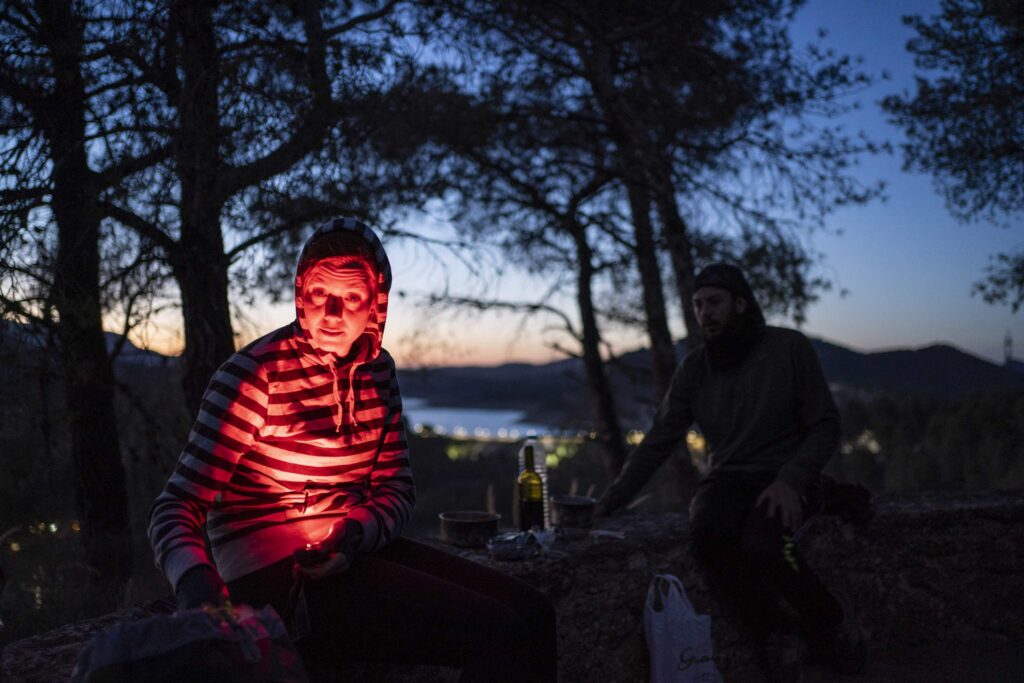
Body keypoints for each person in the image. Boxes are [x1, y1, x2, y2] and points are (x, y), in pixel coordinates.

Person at [148, 217, 557, 682]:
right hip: (273, 580)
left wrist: (351, 535)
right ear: (300, 293)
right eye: (320, 293)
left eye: (353, 297)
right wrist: (194, 580)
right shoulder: (253, 376)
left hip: (353, 553)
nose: (332, 312)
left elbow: (396, 488)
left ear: (376, 304)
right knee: (500, 632)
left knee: (535, 611)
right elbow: (176, 506)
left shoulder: (379, 373)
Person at [596, 263, 866, 683]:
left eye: (714, 302)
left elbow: (826, 425)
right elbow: (660, 439)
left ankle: (830, 624)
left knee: (766, 544)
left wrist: (792, 480)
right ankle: (776, 632)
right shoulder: (695, 369)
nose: (705, 313)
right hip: (726, 481)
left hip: (784, 477)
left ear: (741, 304)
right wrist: (612, 500)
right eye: (698, 305)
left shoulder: (788, 349)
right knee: (708, 538)